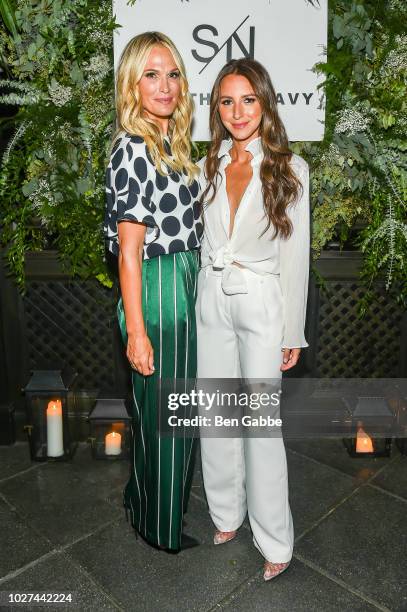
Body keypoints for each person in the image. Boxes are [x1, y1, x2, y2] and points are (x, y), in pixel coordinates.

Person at [196, 58, 310, 580]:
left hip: (262, 298)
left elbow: (296, 256)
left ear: (263, 101)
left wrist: (293, 331)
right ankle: (225, 513)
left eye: (247, 99)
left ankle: (275, 539)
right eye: (226, 101)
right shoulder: (209, 163)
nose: (237, 111)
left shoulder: (290, 167)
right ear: (216, 109)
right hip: (211, 295)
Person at [103, 32, 202, 552]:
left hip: (178, 280)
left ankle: (145, 505)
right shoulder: (136, 148)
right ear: (132, 82)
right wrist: (137, 332)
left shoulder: (167, 142)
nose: (165, 86)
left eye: (173, 74)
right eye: (151, 74)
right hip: (160, 290)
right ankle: (160, 529)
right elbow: (129, 252)